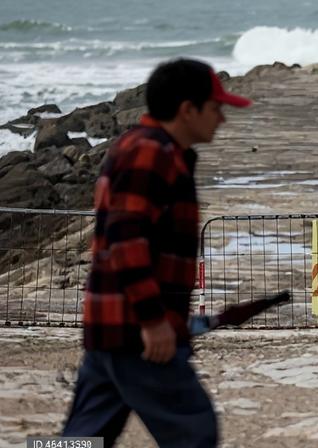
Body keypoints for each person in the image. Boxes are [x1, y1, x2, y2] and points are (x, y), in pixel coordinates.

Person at [62, 58, 251, 447]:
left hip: (110, 326)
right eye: (216, 109)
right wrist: (153, 322)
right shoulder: (151, 153)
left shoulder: (144, 147)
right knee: (195, 431)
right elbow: (125, 237)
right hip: (136, 331)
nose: (222, 120)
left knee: (83, 438)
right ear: (187, 109)